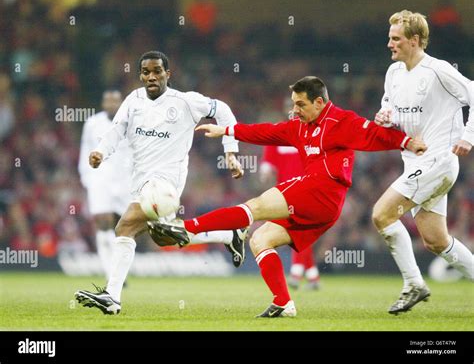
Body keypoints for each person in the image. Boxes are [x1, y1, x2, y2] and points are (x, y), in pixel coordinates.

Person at [148, 76, 427, 318]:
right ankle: (283, 302)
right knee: (260, 240)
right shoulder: (298, 127)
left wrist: (406, 142)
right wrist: (227, 130)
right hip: (321, 205)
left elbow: (375, 134)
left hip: (321, 190)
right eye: (293, 104)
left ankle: (184, 228)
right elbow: (266, 131)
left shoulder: (341, 121)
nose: (295, 110)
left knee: (254, 207)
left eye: (301, 104)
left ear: (319, 102)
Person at [75, 51, 248, 315]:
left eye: (157, 71)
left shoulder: (186, 102)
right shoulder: (133, 100)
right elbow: (116, 130)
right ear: (140, 75)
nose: (151, 76)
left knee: (124, 227)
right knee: (164, 237)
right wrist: (100, 152)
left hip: (166, 182)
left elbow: (222, 110)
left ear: (169, 73)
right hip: (140, 182)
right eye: (146, 72)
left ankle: (112, 296)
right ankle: (229, 234)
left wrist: (230, 151)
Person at [372, 10, 474, 315]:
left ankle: (413, 284)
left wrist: (469, 135)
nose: (389, 44)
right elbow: (388, 104)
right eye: (389, 38)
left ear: (415, 40)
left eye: (395, 39)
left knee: (381, 215)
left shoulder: (438, 70)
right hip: (415, 163)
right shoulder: (394, 74)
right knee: (436, 241)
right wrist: (385, 116)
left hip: (438, 161)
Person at [260, 114, 320, 290]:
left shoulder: (310, 134)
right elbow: (268, 164)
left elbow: (267, 165)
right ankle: (312, 275)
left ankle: (296, 273)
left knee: (298, 228)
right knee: (300, 229)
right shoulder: (286, 134)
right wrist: (265, 172)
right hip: (287, 193)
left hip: (303, 189)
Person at [78, 90, 132, 283]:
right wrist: (87, 178)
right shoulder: (92, 123)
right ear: (103, 103)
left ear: (121, 103)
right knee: (103, 223)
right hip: (100, 179)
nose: (111, 105)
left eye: (115, 101)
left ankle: (118, 269)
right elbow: (85, 149)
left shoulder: (130, 122)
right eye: (108, 101)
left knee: (123, 228)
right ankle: (110, 272)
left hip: (125, 181)